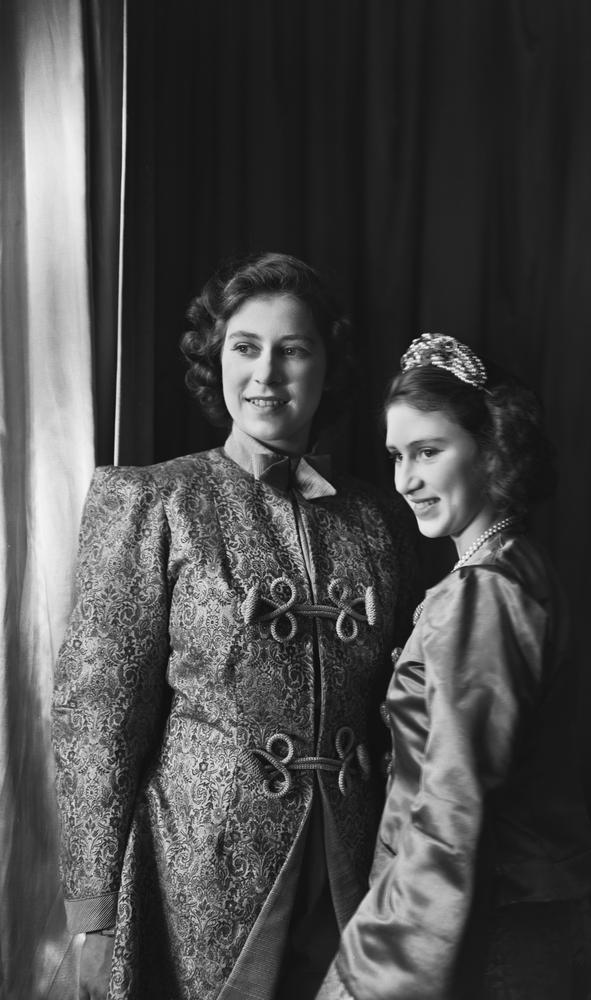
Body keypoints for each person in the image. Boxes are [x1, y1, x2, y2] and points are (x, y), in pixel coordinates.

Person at [51, 253, 418, 1000]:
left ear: (326, 366)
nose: (266, 375)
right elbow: (96, 720)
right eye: (245, 348)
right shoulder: (155, 503)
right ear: (215, 361)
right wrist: (91, 914)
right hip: (196, 876)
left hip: (351, 870)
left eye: (293, 350)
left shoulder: (375, 521)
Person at [316, 333, 591, 1000]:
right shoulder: (519, 566)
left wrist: (360, 980)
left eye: (429, 451)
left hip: (492, 934)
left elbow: (451, 817)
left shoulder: (481, 595)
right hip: (533, 923)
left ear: (492, 450)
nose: (406, 480)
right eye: (396, 455)